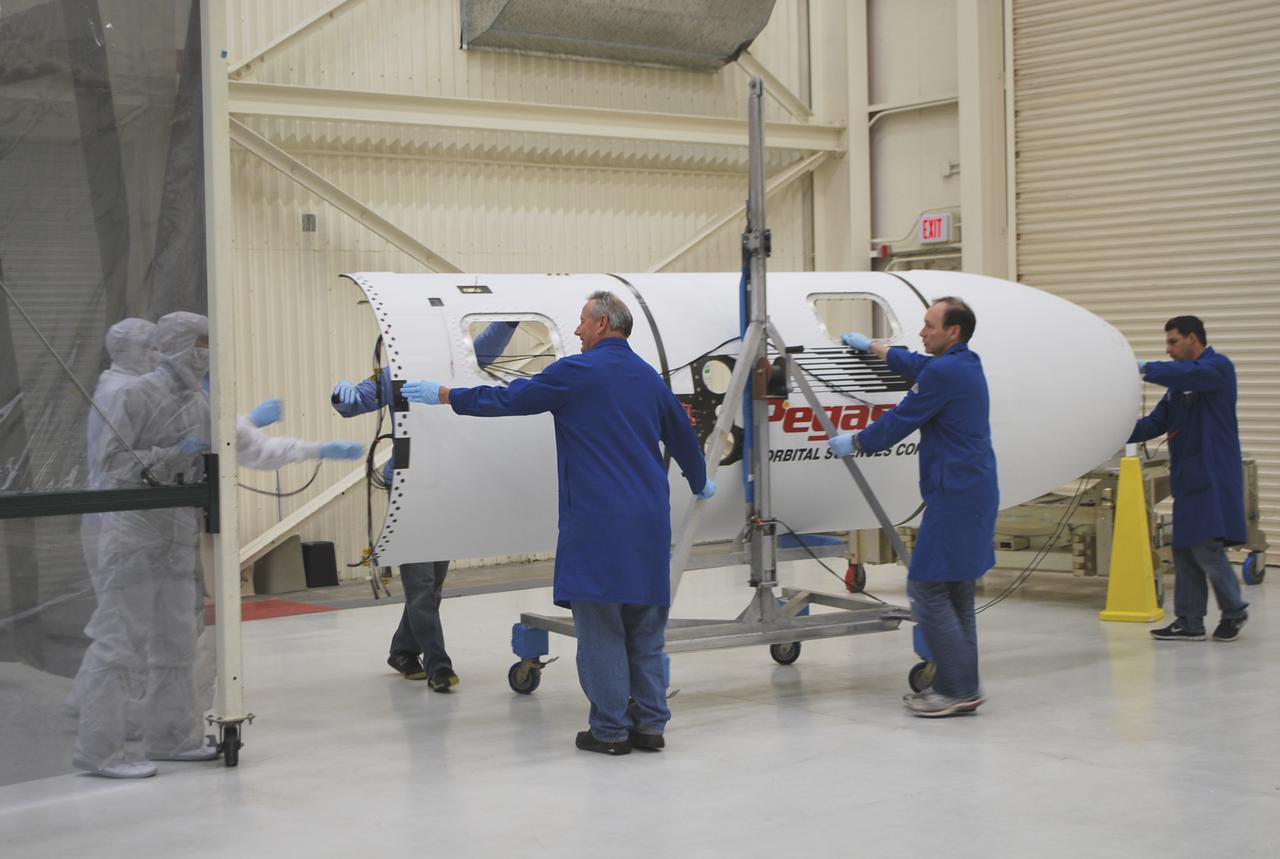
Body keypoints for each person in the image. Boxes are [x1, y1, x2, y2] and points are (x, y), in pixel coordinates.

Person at [402, 291, 712, 754]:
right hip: (649, 523)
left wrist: (447, 395)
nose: (579, 330)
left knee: (601, 627)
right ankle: (650, 727)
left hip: (598, 525)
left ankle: (609, 732)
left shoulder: (576, 372)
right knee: (645, 630)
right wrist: (702, 479)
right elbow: (684, 436)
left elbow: (511, 399)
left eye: (583, 321)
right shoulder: (649, 378)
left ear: (604, 323)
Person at [827, 297, 998, 718]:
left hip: (954, 496)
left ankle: (957, 688)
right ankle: (962, 685)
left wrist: (856, 442)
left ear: (952, 332)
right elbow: (915, 365)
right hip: (970, 489)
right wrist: (873, 347)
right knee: (955, 590)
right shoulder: (963, 364)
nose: (921, 333)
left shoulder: (944, 372)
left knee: (925, 587)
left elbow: (901, 420)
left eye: (928, 325)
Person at [331, 321, 519, 692]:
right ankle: (438, 665)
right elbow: (356, 404)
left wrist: (508, 318)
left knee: (432, 585)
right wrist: (344, 397)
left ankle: (402, 650)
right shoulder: (395, 373)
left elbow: (487, 345)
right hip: (407, 487)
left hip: (445, 489)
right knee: (421, 584)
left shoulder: (461, 366)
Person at [1131, 316, 1248, 642]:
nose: (1168, 350)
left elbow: (1188, 374)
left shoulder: (1216, 369)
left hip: (1212, 474)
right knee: (1183, 549)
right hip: (1189, 477)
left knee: (1206, 546)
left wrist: (1141, 367)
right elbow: (1155, 423)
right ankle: (1190, 621)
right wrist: (1114, 429)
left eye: (1173, 342)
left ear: (1193, 338)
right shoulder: (1178, 388)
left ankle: (1235, 611)